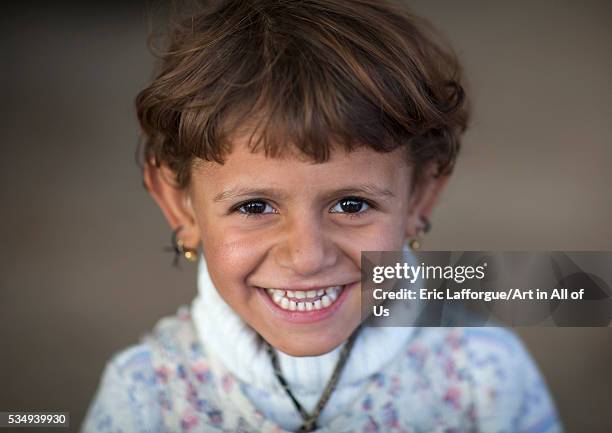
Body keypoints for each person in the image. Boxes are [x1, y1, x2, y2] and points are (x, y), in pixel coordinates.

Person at [82, 0, 563, 432]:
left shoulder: (485, 376)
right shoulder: (145, 398)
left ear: (419, 198)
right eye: (254, 207)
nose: (308, 257)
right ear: (178, 203)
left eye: (352, 205)